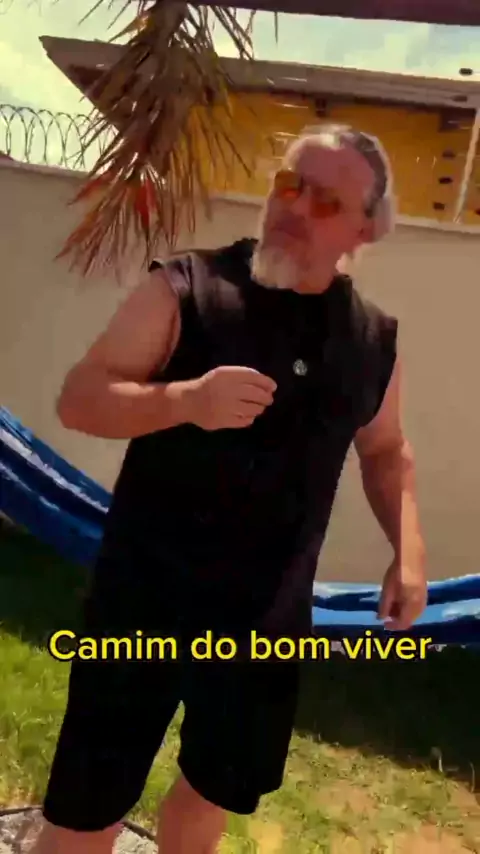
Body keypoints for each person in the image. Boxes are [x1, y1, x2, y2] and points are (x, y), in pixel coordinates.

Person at [33, 123, 427, 854]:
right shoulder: (186, 287)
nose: (295, 207)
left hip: (264, 625)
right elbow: (80, 399)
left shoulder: (372, 341)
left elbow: (385, 449)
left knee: (211, 792)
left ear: (365, 229)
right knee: (88, 807)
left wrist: (408, 552)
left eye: (325, 200)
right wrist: (184, 401)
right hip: (141, 604)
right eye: (289, 184)